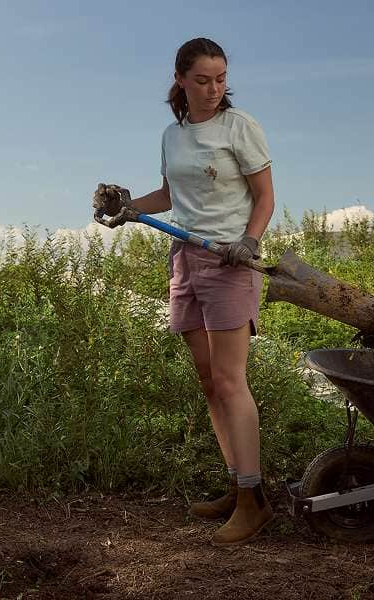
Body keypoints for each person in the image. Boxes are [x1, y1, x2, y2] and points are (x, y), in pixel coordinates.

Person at [93, 37, 275, 546]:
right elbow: (172, 196)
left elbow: (265, 197)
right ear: (181, 80)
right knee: (208, 379)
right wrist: (128, 206)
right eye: (203, 80)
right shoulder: (173, 136)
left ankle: (253, 500)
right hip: (186, 260)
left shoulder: (240, 127)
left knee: (230, 378)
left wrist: (249, 241)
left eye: (221, 79)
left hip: (230, 260)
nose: (214, 89)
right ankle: (238, 480)